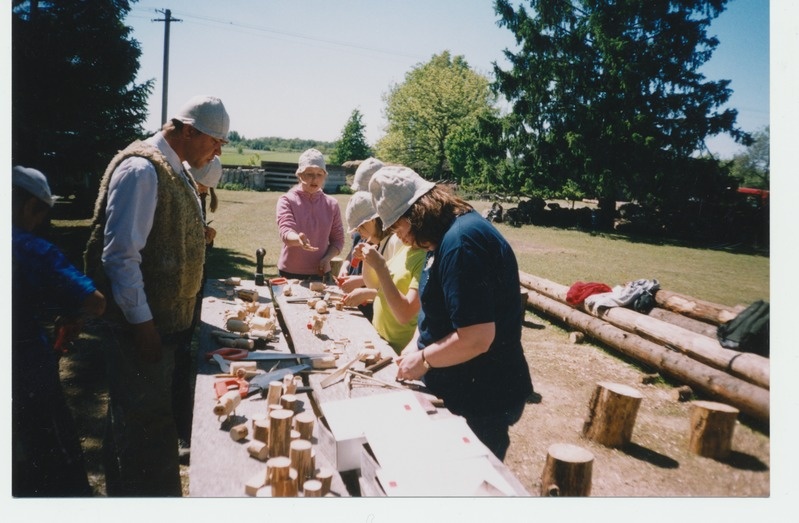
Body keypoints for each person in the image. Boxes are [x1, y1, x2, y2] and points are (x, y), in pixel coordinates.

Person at [84, 94, 229, 496]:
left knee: (136, 424)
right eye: (215, 141)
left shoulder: (172, 168)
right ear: (187, 130)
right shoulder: (141, 169)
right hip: (140, 331)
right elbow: (120, 257)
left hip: (159, 327)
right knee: (147, 431)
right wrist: (143, 324)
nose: (218, 151)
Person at [369, 166, 534, 461]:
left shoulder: (461, 243)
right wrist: (412, 348)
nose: (399, 236)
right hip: (461, 386)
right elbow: (434, 310)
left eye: (397, 227)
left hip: (482, 396)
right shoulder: (441, 236)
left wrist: (423, 359)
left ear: (415, 213)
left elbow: (477, 338)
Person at [12, 166, 106, 496]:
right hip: (25, 369)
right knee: (52, 454)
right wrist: (72, 311)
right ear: (29, 208)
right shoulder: (31, 248)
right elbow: (94, 302)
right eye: (41, 215)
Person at [341, 190, 425, 353]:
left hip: (401, 342)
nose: (360, 233)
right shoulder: (396, 243)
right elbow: (374, 282)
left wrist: (366, 291)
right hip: (383, 334)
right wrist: (367, 260)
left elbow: (398, 295)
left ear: (372, 221)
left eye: (361, 227)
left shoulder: (400, 243)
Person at [275, 148, 344, 282]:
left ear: (324, 176)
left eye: (319, 174)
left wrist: (327, 258)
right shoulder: (287, 200)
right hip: (290, 273)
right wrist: (298, 240)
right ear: (300, 175)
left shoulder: (332, 204)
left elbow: (338, 240)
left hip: (321, 273)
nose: (315, 179)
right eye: (310, 173)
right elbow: (286, 231)